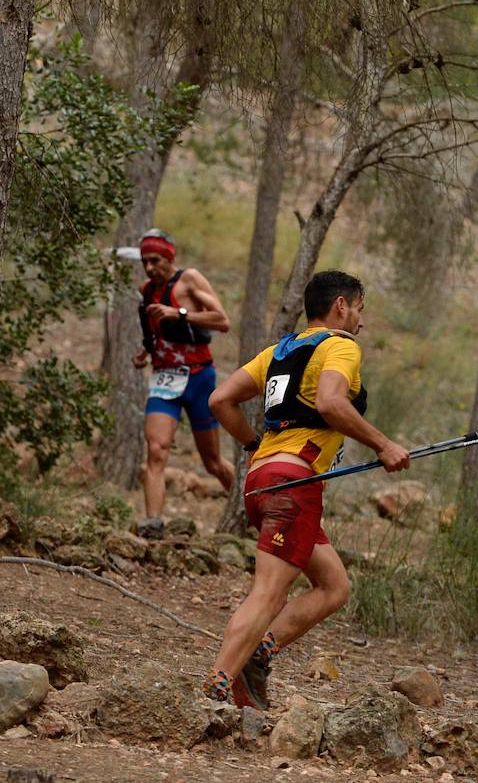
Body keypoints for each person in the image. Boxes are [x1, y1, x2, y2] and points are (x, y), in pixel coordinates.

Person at [203, 270, 411, 707]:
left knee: (334, 586)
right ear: (341, 306)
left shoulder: (279, 352)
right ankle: (220, 681)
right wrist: (384, 444)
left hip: (262, 480)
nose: (361, 321)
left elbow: (220, 399)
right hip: (294, 484)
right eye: (359, 309)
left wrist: (252, 445)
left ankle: (259, 654)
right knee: (270, 591)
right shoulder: (340, 346)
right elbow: (331, 403)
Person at [132, 228, 234, 537]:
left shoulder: (189, 280)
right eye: (144, 262)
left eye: (154, 260)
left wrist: (180, 313)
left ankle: (253, 509)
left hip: (199, 378)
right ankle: (153, 523)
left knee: (213, 462)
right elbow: (156, 333)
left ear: (168, 257)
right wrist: (145, 351)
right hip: (164, 378)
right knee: (156, 449)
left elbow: (222, 320)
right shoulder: (147, 290)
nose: (149, 268)